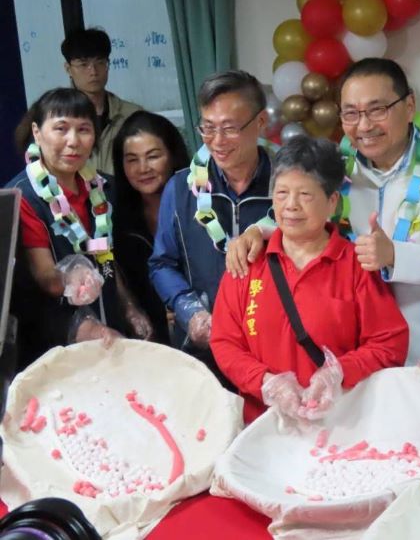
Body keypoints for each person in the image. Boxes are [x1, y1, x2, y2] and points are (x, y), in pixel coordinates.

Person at [226, 58, 420, 365]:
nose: (364, 126)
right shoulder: (337, 169)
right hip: (349, 359)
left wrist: (394, 256)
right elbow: (298, 214)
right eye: (351, 113)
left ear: (409, 105)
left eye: (377, 110)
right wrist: (255, 231)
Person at [211, 136, 409, 424]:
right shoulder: (248, 260)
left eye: (305, 194)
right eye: (282, 193)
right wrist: (266, 382)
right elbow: (225, 342)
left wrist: (338, 373)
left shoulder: (356, 265)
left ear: (332, 202)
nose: (291, 206)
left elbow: (389, 343)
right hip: (264, 425)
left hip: (341, 425)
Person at [6, 88, 152, 368]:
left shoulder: (101, 188)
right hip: (55, 348)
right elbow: (47, 280)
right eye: (61, 129)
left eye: (83, 129)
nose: (73, 141)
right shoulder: (24, 197)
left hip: (108, 331)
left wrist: (129, 307)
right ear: (37, 133)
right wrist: (72, 283)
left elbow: (105, 255)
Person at [149, 70, 273, 381]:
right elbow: (162, 264)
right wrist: (190, 311)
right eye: (208, 127)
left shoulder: (288, 188)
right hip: (202, 354)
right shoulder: (182, 188)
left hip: (272, 351)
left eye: (229, 128)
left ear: (260, 122)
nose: (217, 141)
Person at [112, 111, 190, 343]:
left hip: (200, 328)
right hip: (145, 340)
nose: (143, 168)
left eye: (153, 156)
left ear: (173, 155)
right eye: (132, 159)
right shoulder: (114, 215)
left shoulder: (197, 203)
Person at [61, 28, 142, 174]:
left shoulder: (133, 115)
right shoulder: (58, 119)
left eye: (100, 63)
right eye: (83, 64)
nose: (93, 72)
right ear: (68, 69)